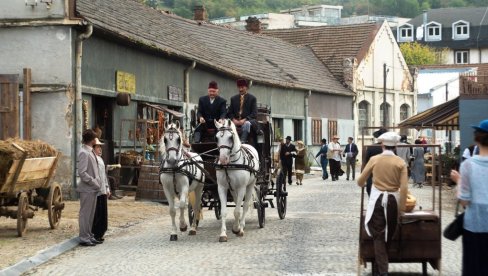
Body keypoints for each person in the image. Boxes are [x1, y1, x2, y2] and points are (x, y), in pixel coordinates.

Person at [357, 132, 408, 276]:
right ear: (395, 146)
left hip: (378, 200)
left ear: (382, 145)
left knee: (379, 236)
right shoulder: (400, 162)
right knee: (388, 235)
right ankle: (380, 270)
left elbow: (360, 181)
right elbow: (404, 188)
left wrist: (367, 182)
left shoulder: (374, 159)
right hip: (393, 201)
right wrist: (402, 209)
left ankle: (383, 272)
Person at [450, 119, 488, 276]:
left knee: (473, 268)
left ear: (476, 138)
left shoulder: (468, 166)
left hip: (474, 225)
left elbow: (464, 200)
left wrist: (458, 181)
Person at [77, 129, 102, 246]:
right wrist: (93, 182)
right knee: (85, 214)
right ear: (92, 140)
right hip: (87, 189)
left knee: (90, 214)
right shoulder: (84, 152)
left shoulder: (90, 151)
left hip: (93, 188)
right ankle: (84, 237)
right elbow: (82, 173)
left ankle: (88, 235)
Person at [227, 79, 259, 143]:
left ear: (246, 87)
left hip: (249, 121)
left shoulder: (252, 98)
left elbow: (254, 113)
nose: (240, 89)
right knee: (227, 124)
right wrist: (233, 120)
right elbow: (230, 113)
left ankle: (242, 141)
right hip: (236, 122)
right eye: (239, 87)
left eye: (242, 87)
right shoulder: (233, 99)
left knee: (246, 124)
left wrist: (244, 120)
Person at [91, 138, 110, 242]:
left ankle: (101, 233)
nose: (100, 149)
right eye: (98, 147)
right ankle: (96, 234)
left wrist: (107, 188)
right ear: (93, 148)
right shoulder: (93, 159)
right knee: (97, 213)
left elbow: (104, 175)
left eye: (100, 147)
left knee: (103, 213)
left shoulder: (100, 159)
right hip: (97, 190)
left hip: (102, 189)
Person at [363, 128, 387, 196]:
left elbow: (366, 162)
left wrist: (363, 176)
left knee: (372, 195)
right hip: (387, 175)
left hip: (373, 175)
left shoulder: (371, 147)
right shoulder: (391, 148)